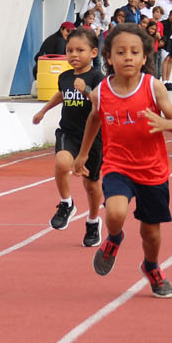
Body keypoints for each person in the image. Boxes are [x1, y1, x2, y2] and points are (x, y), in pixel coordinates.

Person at [73, 23, 172, 298]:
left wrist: (164, 123)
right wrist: (83, 154)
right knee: (115, 213)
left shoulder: (153, 87)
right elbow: (94, 119)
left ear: (145, 57)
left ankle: (151, 267)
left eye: (135, 52)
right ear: (109, 58)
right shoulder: (102, 92)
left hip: (153, 171)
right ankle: (114, 239)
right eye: (121, 52)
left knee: (151, 234)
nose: (128, 57)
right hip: (118, 166)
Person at [31, 26, 105, 248]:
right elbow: (62, 94)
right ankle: (66, 203)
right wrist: (43, 111)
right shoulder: (64, 76)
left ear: (93, 52)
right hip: (68, 131)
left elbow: (100, 104)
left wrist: (85, 90)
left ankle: (92, 221)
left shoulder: (98, 77)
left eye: (80, 50)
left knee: (91, 185)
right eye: (70, 50)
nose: (74, 55)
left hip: (92, 137)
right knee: (62, 162)